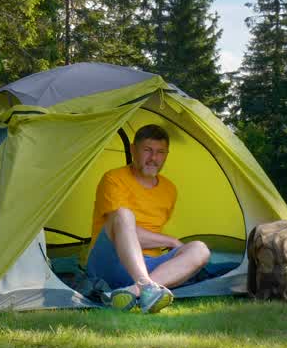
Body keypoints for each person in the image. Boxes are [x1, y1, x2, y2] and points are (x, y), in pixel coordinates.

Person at [86, 124, 210, 313]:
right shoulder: (113, 178)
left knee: (200, 249)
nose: (154, 158)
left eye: (160, 152)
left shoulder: (169, 189)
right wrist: (171, 241)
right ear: (133, 149)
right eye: (147, 150)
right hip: (109, 261)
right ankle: (146, 286)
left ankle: (135, 291)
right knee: (123, 214)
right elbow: (124, 230)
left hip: (149, 265)